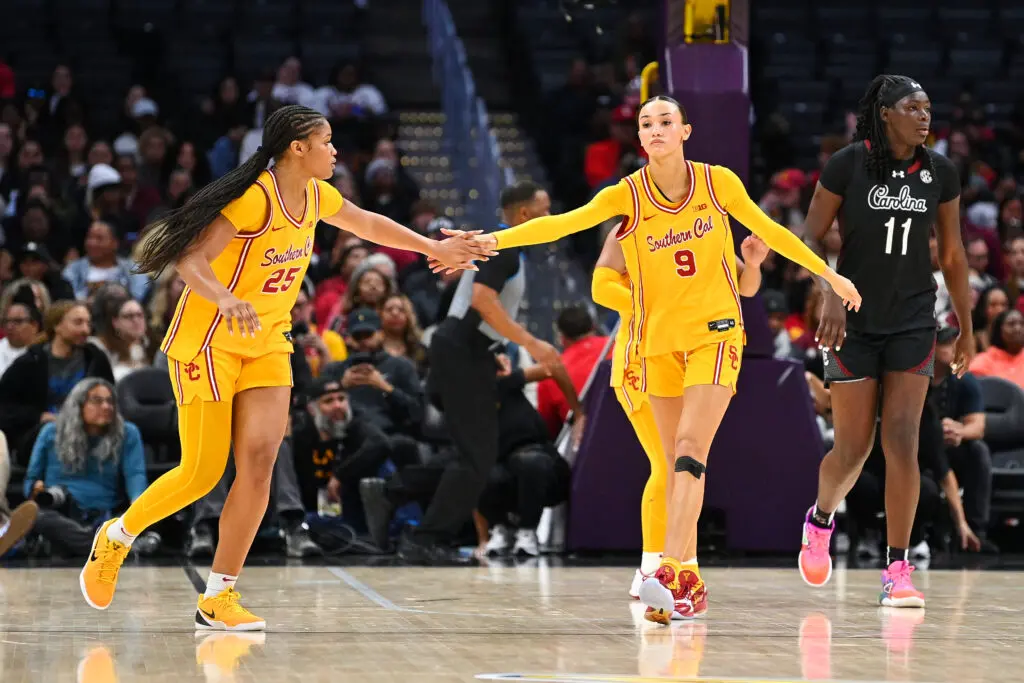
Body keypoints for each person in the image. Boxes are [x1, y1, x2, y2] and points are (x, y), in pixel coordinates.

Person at [77, 104, 493, 631]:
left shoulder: (318, 195)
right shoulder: (254, 199)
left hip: (268, 338)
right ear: (298, 148)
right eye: (327, 141)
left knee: (259, 464)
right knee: (203, 472)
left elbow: (368, 224)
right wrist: (225, 299)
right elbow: (190, 260)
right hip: (209, 340)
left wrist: (433, 246)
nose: (336, 150)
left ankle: (218, 597)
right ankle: (116, 537)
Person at [477, 96, 859, 624]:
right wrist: (491, 240)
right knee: (670, 465)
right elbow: (559, 225)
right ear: (640, 139)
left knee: (686, 452)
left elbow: (771, 232)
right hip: (657, 344)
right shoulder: (628, 196)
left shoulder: (717, 183)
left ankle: (671, 570)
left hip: (717, 335)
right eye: (646, 124)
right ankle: (683, 579)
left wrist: (828, 274)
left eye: (665, 122)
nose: (655, 130)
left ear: (685, 131)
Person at [798, 75, 973, 608]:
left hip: (915, 319)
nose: (924, 116)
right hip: (853, 319)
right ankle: (821, 517)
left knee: (903, 441)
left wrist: (965, 324)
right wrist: (828, 285)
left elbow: (953, 255)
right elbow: (806, 236)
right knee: (853, 448)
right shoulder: (847, 163)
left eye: (927, 107)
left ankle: (897, 568)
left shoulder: (940, 171)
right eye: (912, 107)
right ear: (885, 113)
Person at [403, 180, 584, 564]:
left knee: (477, 456)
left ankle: (425, 527)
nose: (550, 218)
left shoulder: (499, 246)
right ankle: (424, 536)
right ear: (524, 215)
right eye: (545, 210)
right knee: (476, 456)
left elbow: (470, 303)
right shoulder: (504, 248)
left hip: (468, 349)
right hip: (462, 350)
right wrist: (530, 343)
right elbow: (483, 302)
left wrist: (494, 348)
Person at [592, 225, 769, 600]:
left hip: (695, 354)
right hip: (643, 356)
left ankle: (678, 569)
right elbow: (602, 287)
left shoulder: (703, 222)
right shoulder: (632, 224)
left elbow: (745, 286)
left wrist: (752, 264)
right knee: (666, 462)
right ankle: (653, 567)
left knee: (687, 462)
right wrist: (656, 303)